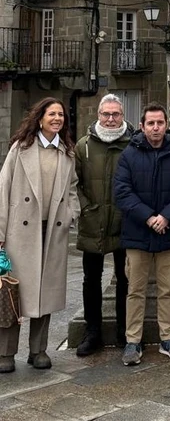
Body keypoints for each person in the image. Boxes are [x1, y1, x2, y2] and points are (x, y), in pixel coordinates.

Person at [114, 103, 170, 366]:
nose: (156, 128)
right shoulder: (128, 155)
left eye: (160, 123)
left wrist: (166, 217)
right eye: (150, 123)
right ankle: (133, 341)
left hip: (169, 232)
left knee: (168, 289)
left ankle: (168, 338)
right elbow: (122, 192)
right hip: (137, 232)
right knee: (135, 290)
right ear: (142, 126)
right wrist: (149, 217)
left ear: (167, 125)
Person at [0, 97, 79, 374]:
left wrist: (71, 213)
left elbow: (72, 189)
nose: (57, 118)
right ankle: (6, 353)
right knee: (13, 292)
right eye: (51, 114)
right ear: (40, 118)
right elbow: (3, 188)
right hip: (21, 232)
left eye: (61, 115)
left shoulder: (67, 153)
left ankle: (39, 350)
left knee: (46, 292)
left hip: (52, 231)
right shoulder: (20, 149)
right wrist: (0, 232)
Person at [75, 93, 133, 356]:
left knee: (125, 279)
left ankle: (124, 331)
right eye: (106, 114)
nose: (110, 119)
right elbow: (74, 184)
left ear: (122, 116)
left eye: (115, 114)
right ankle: (92, 332)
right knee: (91, 280)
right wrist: (86, 208)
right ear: (98, 115)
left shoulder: (133, 144)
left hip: (124, 221)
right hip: (93, 221)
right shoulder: (83, 146)